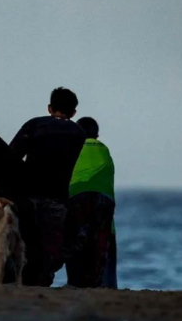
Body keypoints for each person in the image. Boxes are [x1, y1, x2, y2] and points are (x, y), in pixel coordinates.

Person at [9, 87, 86, 287]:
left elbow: (12, 155)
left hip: (27, 197)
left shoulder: (34, 125)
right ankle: (42, 283)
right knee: (50, 249)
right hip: (56, 199)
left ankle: (23, 282)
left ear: (50, 108)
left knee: (25, 244)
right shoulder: (79, 133)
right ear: (74, 113)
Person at [63, 117, 116, 288]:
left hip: (76, 200)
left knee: (75, 244)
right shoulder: (105, 151)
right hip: (104, 204)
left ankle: (74, 283)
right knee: (103, 246)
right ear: (97, 136)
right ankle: (106, 285)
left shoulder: (71, 148)